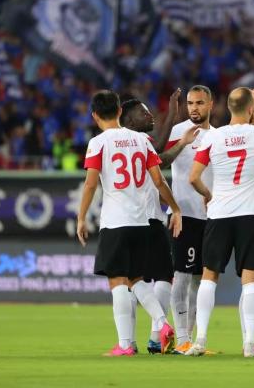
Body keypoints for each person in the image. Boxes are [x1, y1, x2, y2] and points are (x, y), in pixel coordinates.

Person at [184, 60, 254, 357]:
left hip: (219, 214)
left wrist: (208, 194)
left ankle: (200, 340)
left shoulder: (212, 136)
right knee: (250, 279)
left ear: (227, 107)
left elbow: (193, 177)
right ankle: (249, 344)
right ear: (252, 109)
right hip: (249, 216)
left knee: (209, 276)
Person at [76, 90, 182, 357]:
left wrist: (81, 217)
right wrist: (175, 207)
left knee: (118, 281)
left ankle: (126, 344)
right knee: (136, 278)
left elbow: (90, 184)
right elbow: (159, 180)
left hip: (116, 221)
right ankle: (162, 324)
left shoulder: (97, 143)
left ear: (95, 116)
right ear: (120, 111)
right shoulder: (142, 140)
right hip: (143, 223)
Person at [119, 98, 194, 354]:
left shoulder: (122, 143)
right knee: (155, 277)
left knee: (136, 280)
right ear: (129, 120)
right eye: (144, 113)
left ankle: (132, 342)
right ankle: (156, 334)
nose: (150, 116)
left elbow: (159, 151)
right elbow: (161, 158)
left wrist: (173, 117)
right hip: (146, 219)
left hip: (131, 219)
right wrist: (178, 131)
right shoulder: (138, 141)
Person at [159, 86, 215, 353]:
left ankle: (189, 338)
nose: (194, 108)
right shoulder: (177, 131)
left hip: (210, 217)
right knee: (181, 275)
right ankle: (181, 337)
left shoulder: (218, 135)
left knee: (199, 280)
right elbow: (159, 161)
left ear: (210, 105)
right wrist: (182, 142)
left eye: (199, 103)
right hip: (183, 215)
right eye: (190, 103)